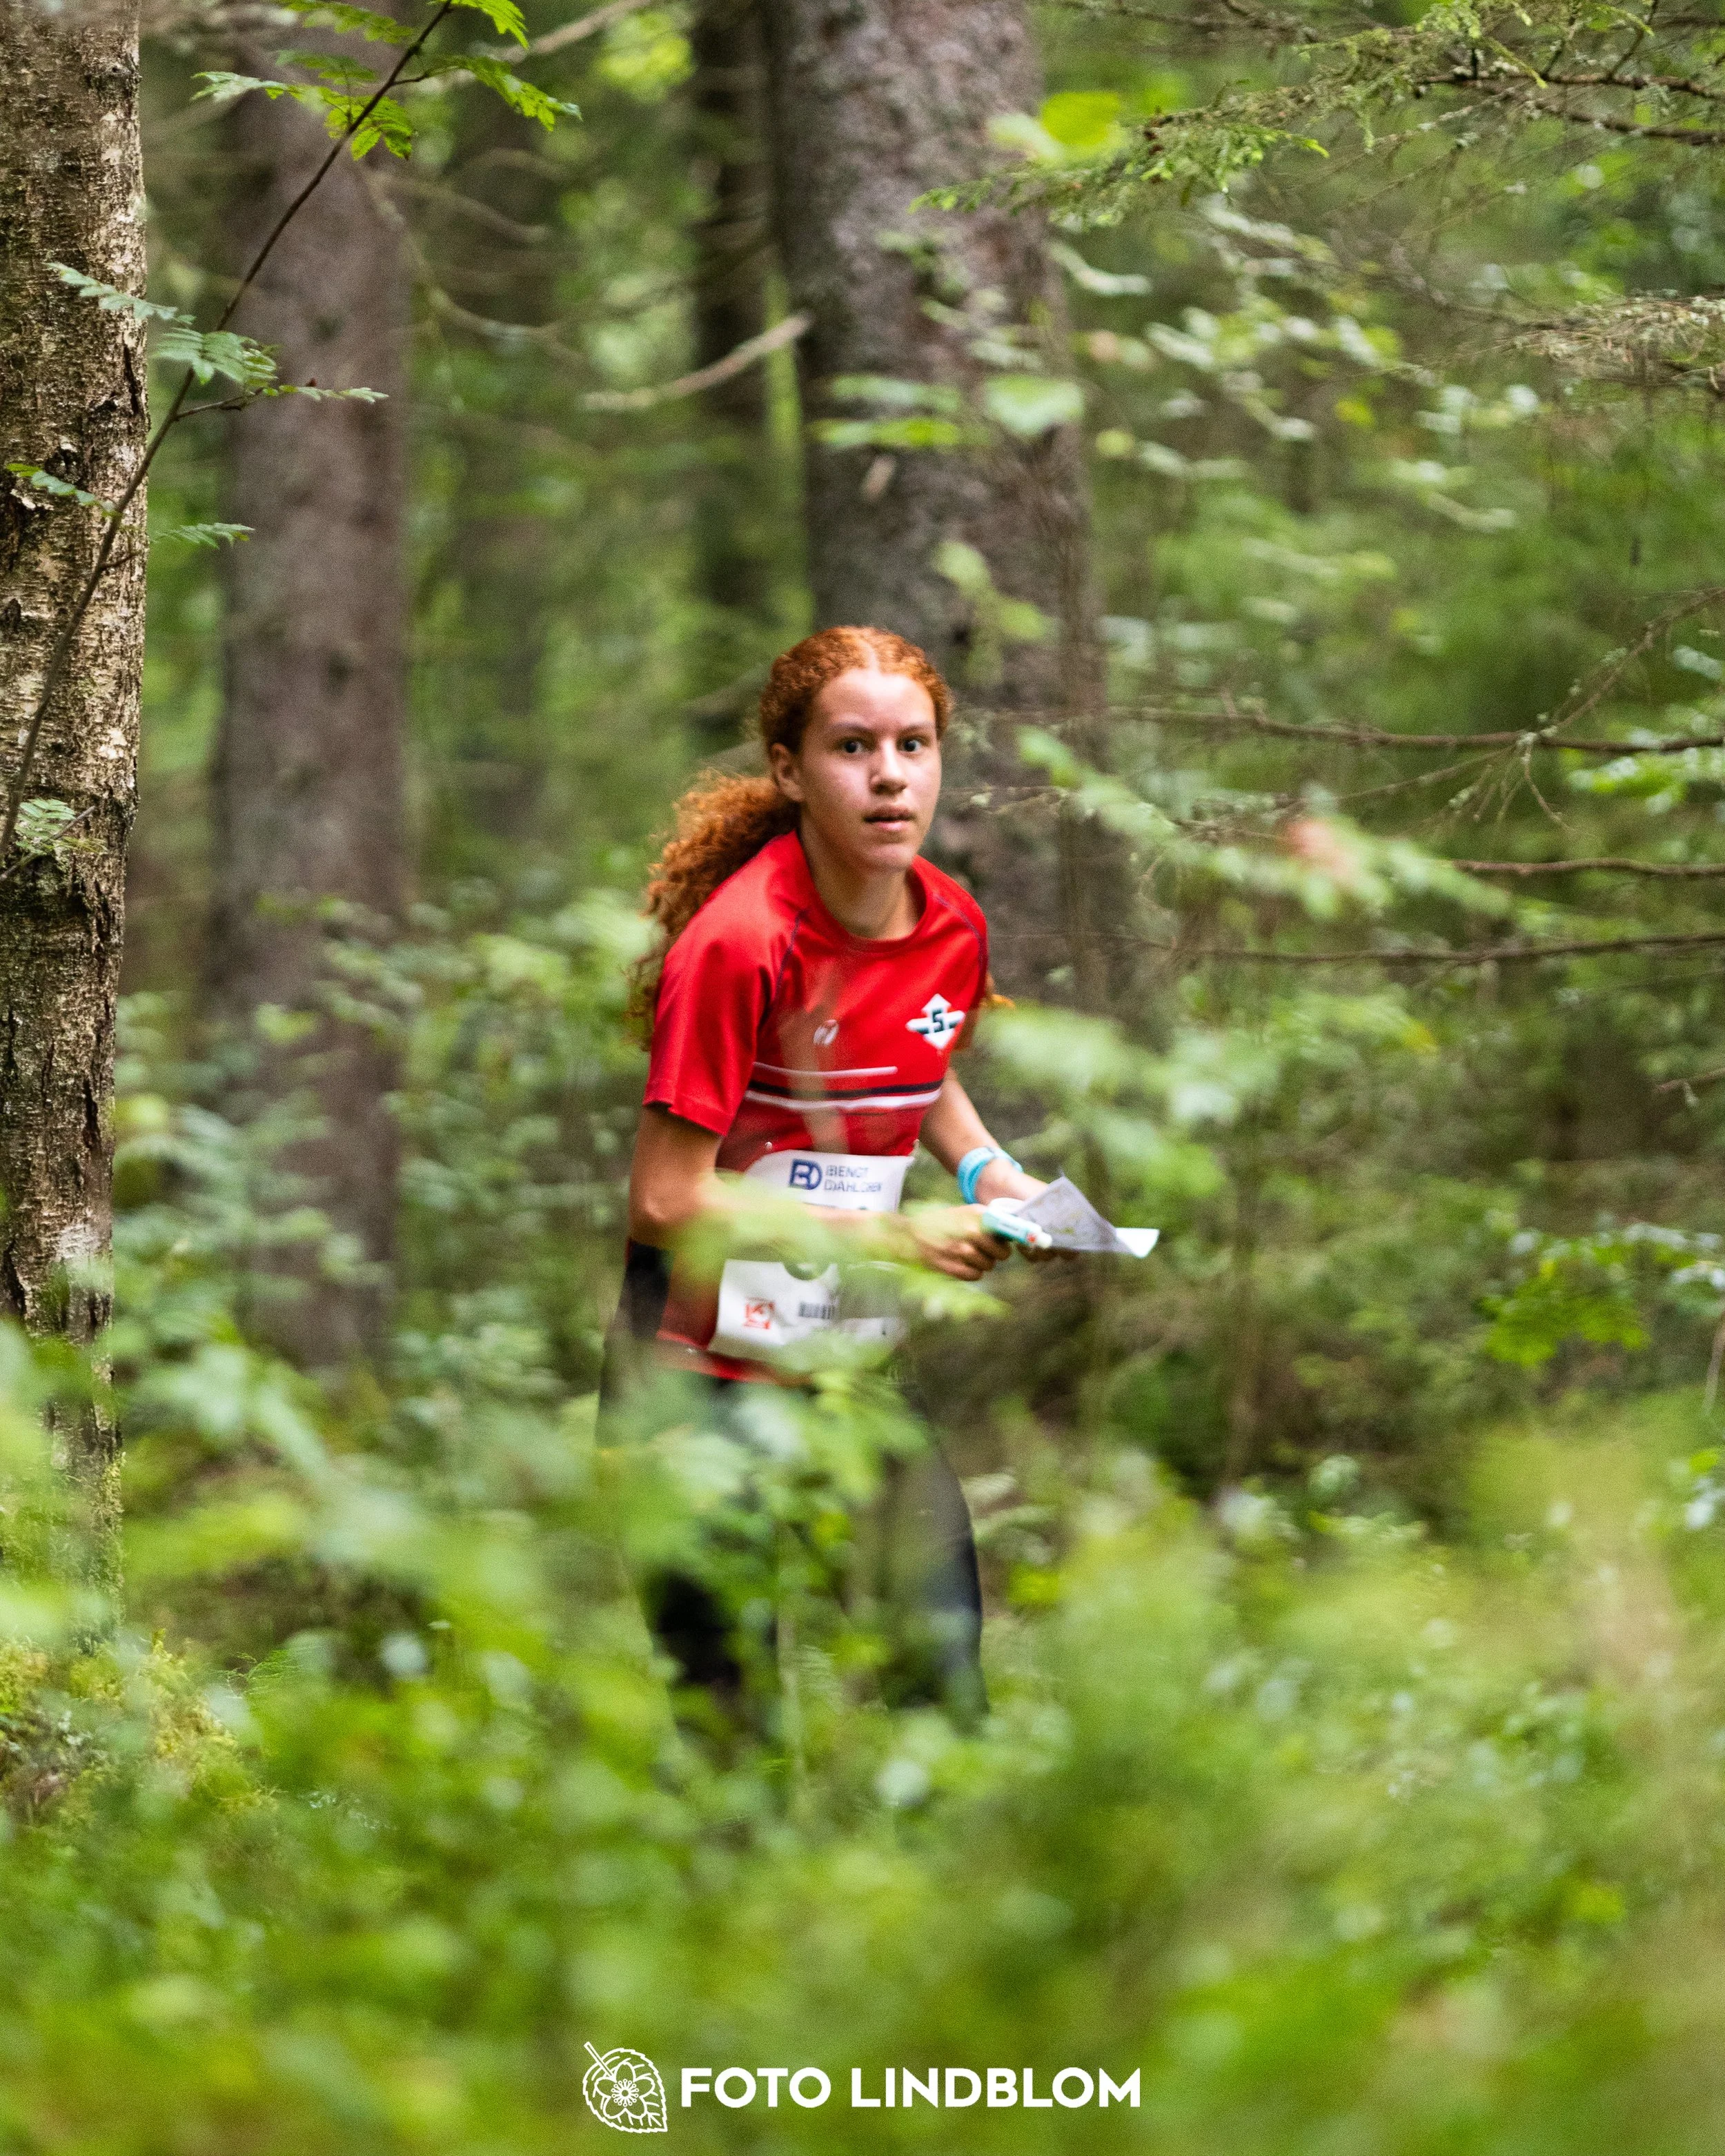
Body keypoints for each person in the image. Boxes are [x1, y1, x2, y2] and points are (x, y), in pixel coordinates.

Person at [604, 624, 1060, 1722]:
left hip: (848, 1365)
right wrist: (900, 1239)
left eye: (915, 745)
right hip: (696, 1375)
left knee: (941, 1684)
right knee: (731, 1725)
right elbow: (667, 1201)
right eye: (854, 747)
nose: (890, 776)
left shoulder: (952, 923)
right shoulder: (740, 943)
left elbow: (913, 1059)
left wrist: (984, 1165)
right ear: (789, 769)